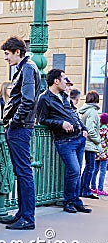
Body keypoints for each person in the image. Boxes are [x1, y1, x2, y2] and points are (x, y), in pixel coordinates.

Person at [0, 36, 41, 230]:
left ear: (17, 52)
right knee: (22, 171)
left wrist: (14, 122)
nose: (6, 58)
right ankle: (22, 214)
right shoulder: (26, 68)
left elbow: (28, 100)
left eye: (7, 54)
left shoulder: (27, 68)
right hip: (21, 127)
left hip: (20, 128)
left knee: (23, 172)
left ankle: (27, 218)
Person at [36, 69, 91, 213]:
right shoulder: (44, 98)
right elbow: (42, 119)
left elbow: (75, 114)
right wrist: (60, 123)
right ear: (56, 81)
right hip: (64, 140)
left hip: (78, 138)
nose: (66, 82)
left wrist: (83, 128)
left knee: (76, 171)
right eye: (64, 79)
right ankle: (68, 201)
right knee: (73, 170)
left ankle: (76, 201)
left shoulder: (64, 96)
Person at [78, 90, 102, 200]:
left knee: (87, 167)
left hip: (85, 142)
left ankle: (82, 189)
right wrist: (97, 140)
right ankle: (85, 190)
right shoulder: (92, 112)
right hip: (90, 143)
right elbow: (91, 129)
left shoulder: (85, 110)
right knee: (90, 167)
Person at [91, 113, 108, 196]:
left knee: (95, 170)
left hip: (97, 152)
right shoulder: (107, 130)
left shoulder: (98, 129)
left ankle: (93, 187)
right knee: (103, 171)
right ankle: (100, 189)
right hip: (104, 153)